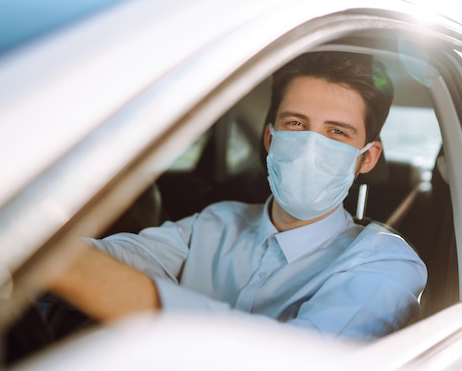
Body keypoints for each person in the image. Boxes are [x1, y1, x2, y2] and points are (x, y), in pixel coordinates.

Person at [48, 51, 427, 342]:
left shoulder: (384, 264)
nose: (312, 145)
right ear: (270, 138)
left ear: (368, 158)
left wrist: (75, 273)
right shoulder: (216, 222)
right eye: (296, 124)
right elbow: (124, 256)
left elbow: (299, 359)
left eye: (337, 133)